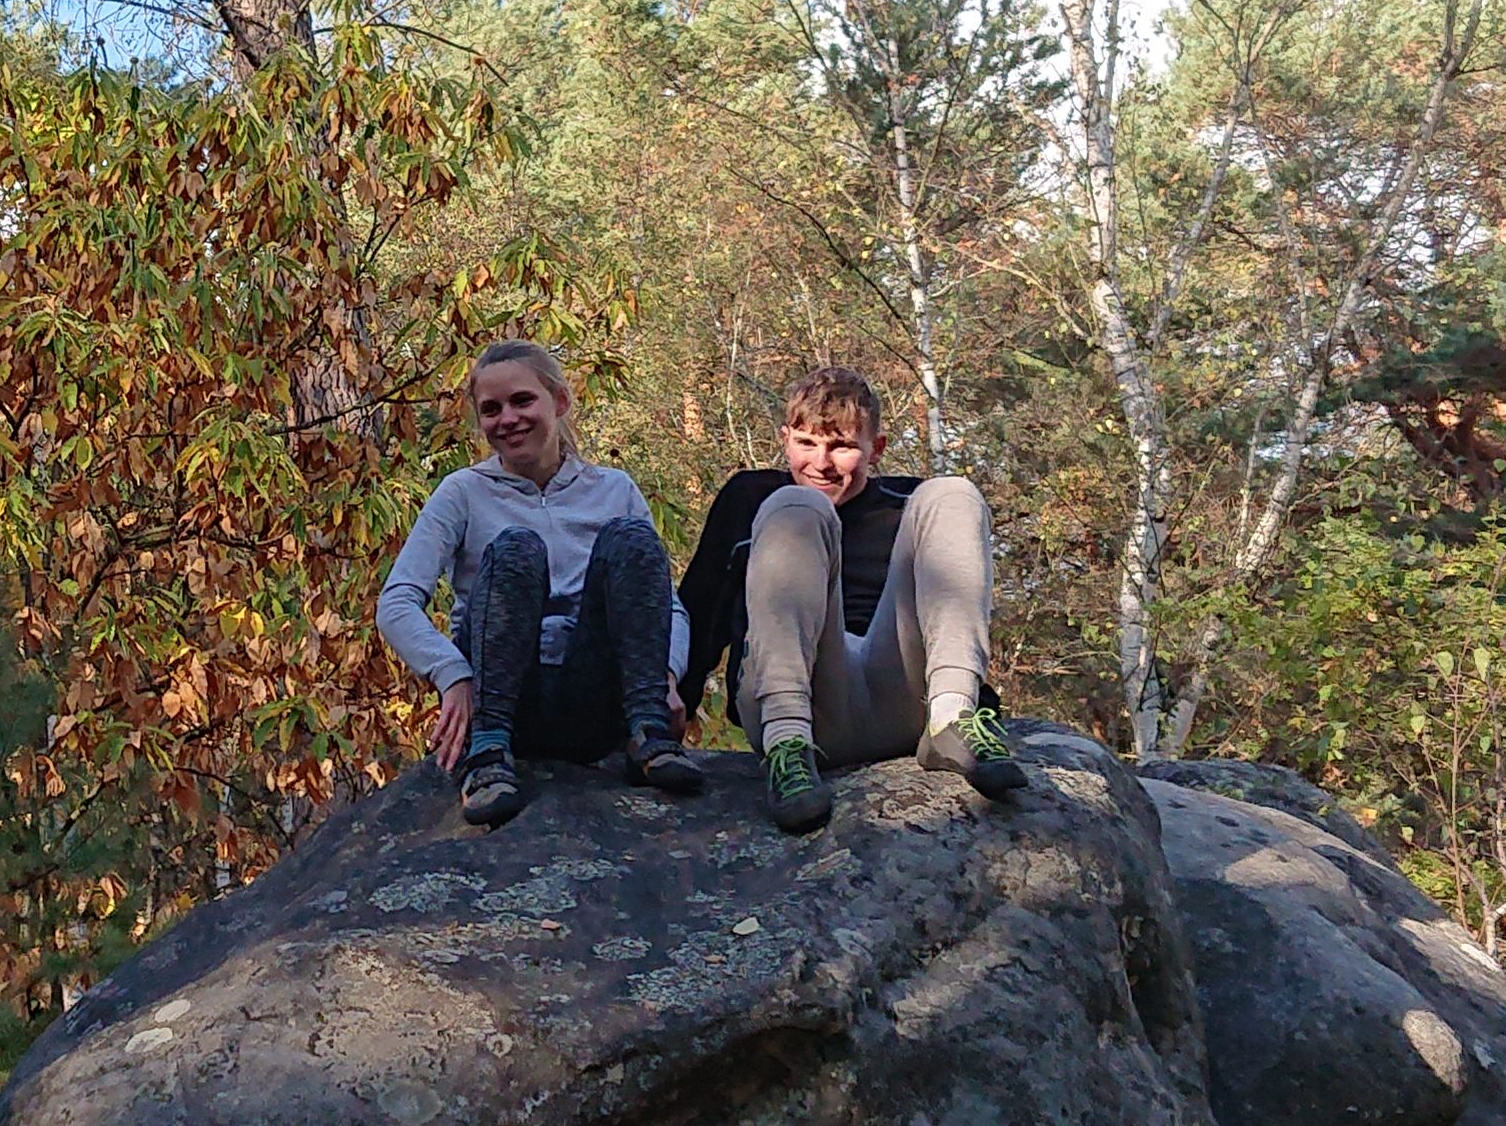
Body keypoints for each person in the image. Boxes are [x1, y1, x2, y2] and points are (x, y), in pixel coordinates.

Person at [676, 364, 1023, 837]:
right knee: (795, 505)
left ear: (874, 449)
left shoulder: (905, 505)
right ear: (785, 439)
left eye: (840, 446)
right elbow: (700, 609)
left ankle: (953, 718)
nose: (820, 463)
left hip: (899, 696)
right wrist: (663, 720)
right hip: (801, 701)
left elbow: (952, 599)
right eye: (806, 443)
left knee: (953, 493)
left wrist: (978, 696)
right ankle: (788, 750)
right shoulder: (751, 497)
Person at [376, 336, 701, 831]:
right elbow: (397, 603)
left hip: (593, 696)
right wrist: (452, 674)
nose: (507, 419)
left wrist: (667, 677)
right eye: (491, 409)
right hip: (503, 693)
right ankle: (487, 757)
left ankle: (648, 732)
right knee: (515, 549)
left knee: (632, 539)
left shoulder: (612, 489)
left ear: (560, 402)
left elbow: (667, 607)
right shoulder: (463, 492)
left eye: (522, 401)